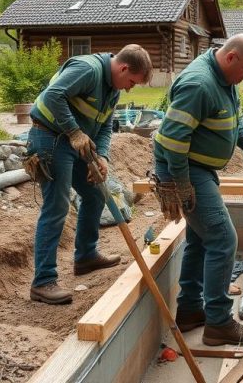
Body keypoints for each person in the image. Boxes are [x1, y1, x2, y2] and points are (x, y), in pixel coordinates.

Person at [153, 33, 243, 347]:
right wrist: (183, 184)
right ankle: (218, 323)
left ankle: (190, 310)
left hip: (197, 168)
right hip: (185, 169)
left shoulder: (225, 80)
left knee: (201, 238)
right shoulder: (199, 85)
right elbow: (174, 140)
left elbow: (236, 118)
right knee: (223, 237)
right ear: (231, 58)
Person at [27, 44, 153, 305]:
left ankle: (85, 256)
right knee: (57, 205)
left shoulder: (113, 89)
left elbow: (105, 125)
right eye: (131, 81)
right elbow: (52, 96)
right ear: (123, 67)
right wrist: (74, 131)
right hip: (50, 138)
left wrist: (103, 156)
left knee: (96, 194)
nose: (130, 88)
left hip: (77, 142)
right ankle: (43, 282)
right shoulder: (87, 69)